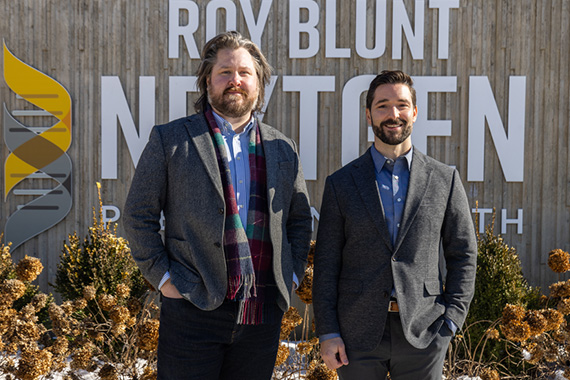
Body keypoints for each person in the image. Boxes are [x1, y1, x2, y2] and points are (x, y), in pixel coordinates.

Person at [123, 31, 312, 380]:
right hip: (192, 306)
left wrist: (292, 274)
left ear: (259, 83)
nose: (235, 81)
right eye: (225, 72)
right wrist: (165, 280)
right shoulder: (172, 139)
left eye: (245, 73)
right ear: (207, 81)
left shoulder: (283, 147)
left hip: (262, 311)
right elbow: (138, 215)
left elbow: (299, 221)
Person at [312, 70, 477, 380]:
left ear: (414, 112)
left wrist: (450, 322)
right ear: (368, 115)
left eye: (401, 105)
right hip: (356, 336)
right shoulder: (342, 184)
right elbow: (326, 265)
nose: (393, 114)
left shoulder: (444, 179)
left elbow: (463, 253)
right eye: (382, 105)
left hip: (424, 332)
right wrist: (328, 331)